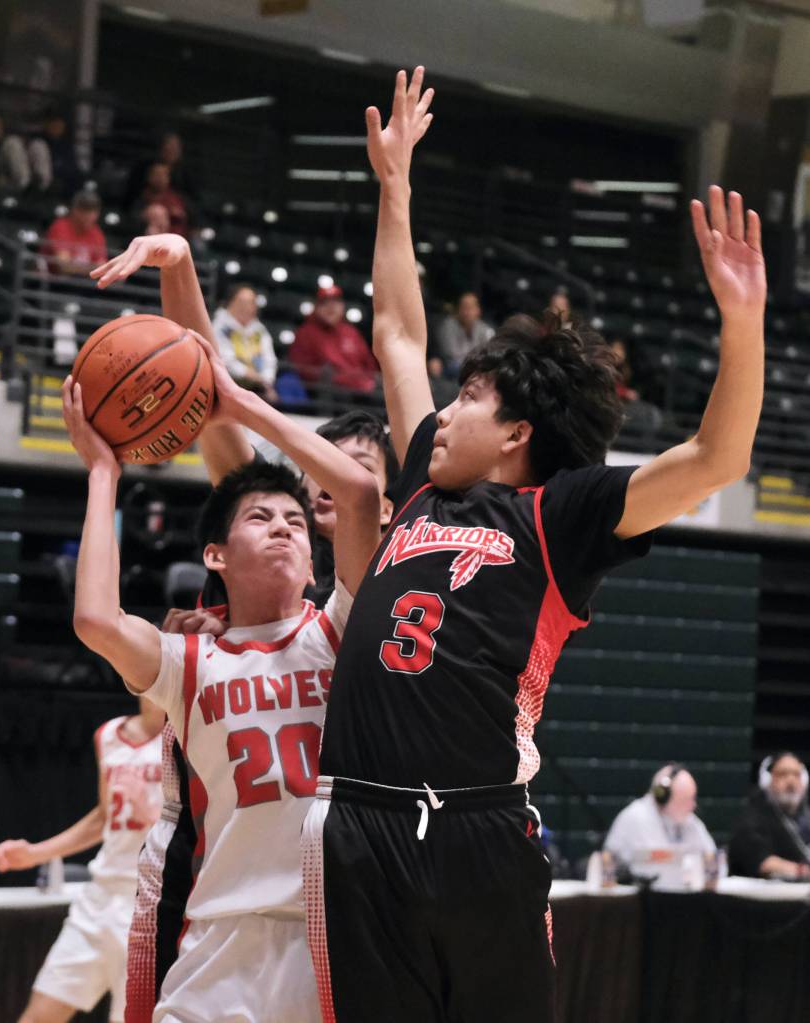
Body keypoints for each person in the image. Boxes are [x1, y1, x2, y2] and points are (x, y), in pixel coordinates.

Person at [300, 67, 766, 1023]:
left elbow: (716, 457)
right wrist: (395, 190)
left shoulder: (559, 514)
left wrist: (742, 320)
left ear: (518, 433)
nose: (445, 406)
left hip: (476, 826)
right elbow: (394, 328)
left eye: (469, 396)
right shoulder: (423, 480)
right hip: (357, 820)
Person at [63, 321, 380, 1023]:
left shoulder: (337, 629)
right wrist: (103, 472)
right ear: (214, 555)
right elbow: (95, 620)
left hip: (328, 935)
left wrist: (238, 404)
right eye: (259, 516)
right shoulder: (188, 658)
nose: (283, 527)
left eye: (295, 521)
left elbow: (358, 494)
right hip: (214, 940)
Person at [0, 699, 165, 1023]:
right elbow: (104, 818)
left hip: (153, 904)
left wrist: (153, 816)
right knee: (39, 1015)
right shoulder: (109, 734)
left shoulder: (189, 733)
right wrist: (36, 853)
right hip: (100, 897)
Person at [603, 765, 716, 883]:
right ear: (662, 797)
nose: (693, 806)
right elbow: (610, 864)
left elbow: (713, 861)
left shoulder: (690, 821)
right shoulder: (635, 818)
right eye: (686, 800)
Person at [729, 752, 810, 879]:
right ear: (767, 780)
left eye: (796, 774)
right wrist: (801, 871)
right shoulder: (751, 817)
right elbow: (762, 862)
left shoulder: (804, 817)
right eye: (783, 774)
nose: (791, 781)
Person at [290, 285, 379, 395]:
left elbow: (369, 365)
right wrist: (344, 381)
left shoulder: (351, 332)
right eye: (324, 303)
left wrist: (369, 382)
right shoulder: (306, 333)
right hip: (329, 394)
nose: (331, 308)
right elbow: (303, 370)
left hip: (361, 392)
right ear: (316, 307)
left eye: (335, 303)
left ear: (342, 306)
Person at [212, 283, 278, 403]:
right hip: (229, 386)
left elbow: (270, 361)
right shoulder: (220, 327)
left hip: (258, 388)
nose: (247, 307)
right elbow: (224, 360)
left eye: (251, 302)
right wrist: (250, 375)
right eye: (242, 302)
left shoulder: (260, 330)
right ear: (231, 303)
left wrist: (266, 379)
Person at [124, 132, 197, 212]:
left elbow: (192, 200)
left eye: (176, 148)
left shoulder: (184, 175)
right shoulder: (143, 167)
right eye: (169, 146)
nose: (172, 150)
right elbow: (130, 195)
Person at [43, 190, 107, 275]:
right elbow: (64, 267)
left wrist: (94, 269)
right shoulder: (61, 226)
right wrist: (93, 268)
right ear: (74, 209)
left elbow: (102, 267)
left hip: (85, 283)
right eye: (84, 210)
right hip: (55, 281)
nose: (89, 215)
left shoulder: (96, 232)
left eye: (93, 211)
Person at [435, 291, 495, 376]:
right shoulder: (448, 326)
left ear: (478, 310)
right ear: (458, 310)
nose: (467, 312)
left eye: (471, 308)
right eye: (464, 307)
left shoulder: (485, 329)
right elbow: (452, 354)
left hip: (477, 368)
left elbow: (489, 354)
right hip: (453, 368)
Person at [27, 110, 81, 195]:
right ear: (46, 124)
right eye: (54, 123)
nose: (57, 126)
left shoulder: (66, 145)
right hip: (45, 188)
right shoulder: (38, 143)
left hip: (66, 186)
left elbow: (73, 169)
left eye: (60, 124)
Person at [132, 162, 189, 238]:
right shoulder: (142, 197)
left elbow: (185, 220)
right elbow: (133, 218)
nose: (160, 178)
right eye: (156, 175)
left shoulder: (177, 199)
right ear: (149, 177)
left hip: (172, 238)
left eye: (163, 175)